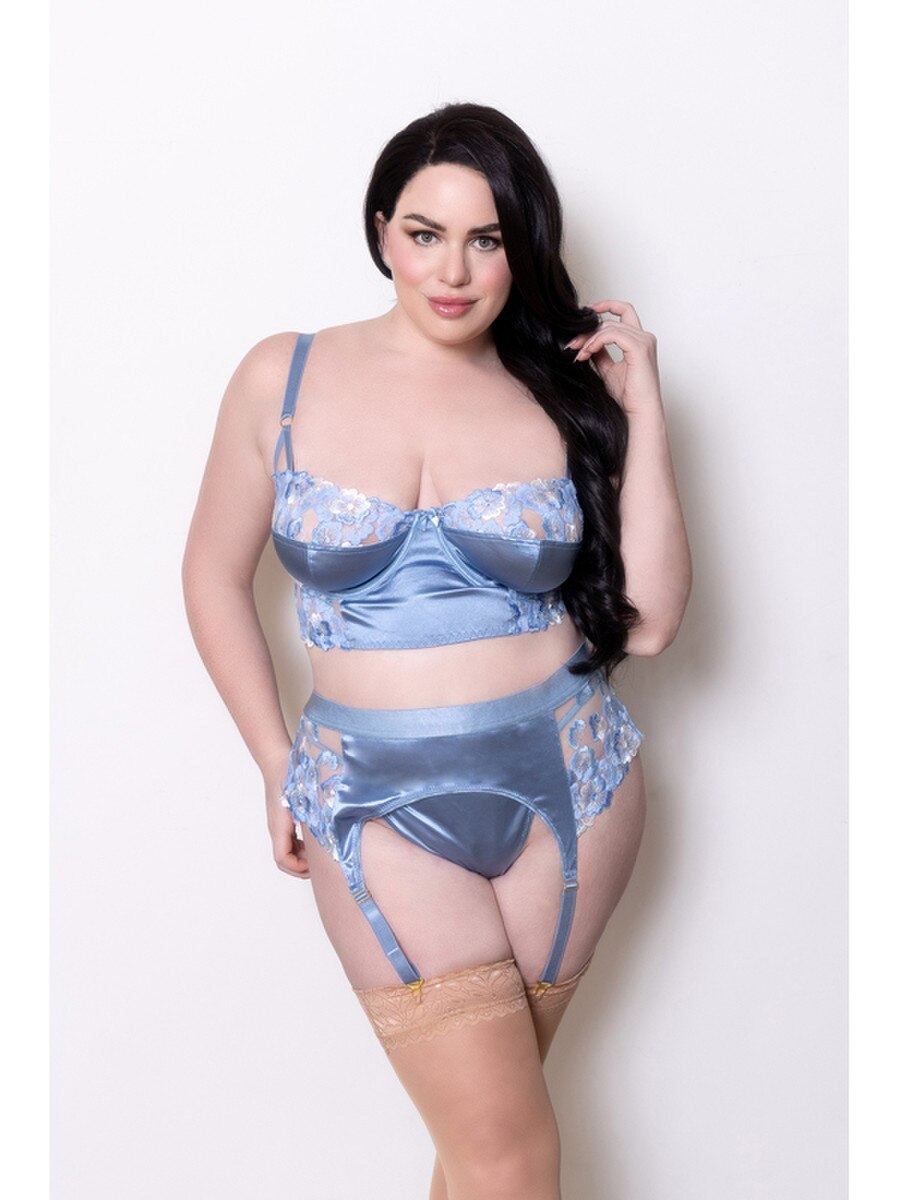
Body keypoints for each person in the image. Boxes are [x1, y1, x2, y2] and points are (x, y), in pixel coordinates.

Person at [183, 102, 691, 1200]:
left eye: (486, 239)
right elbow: (212, 579)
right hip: (369, 799)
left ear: (522, 246)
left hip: (574, 787)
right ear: (381, 231)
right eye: (425, 234)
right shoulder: (284, 376)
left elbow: (649, 621)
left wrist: (643, 408)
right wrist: (273, 760)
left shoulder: (559, 391)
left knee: (486, 1150)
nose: (452, 271)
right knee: (506, 1152)